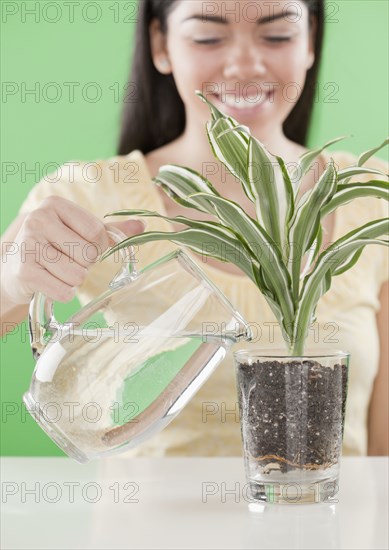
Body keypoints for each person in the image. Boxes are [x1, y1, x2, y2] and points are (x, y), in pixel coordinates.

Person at [1, 0, 388, 456]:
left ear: (310, 43)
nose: (245, 63)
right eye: (208, 36)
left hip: (327, 525)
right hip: (145, 527)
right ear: (160, 45)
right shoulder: (89, 194)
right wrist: (10, 282)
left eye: (277, 35)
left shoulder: (371, 198)